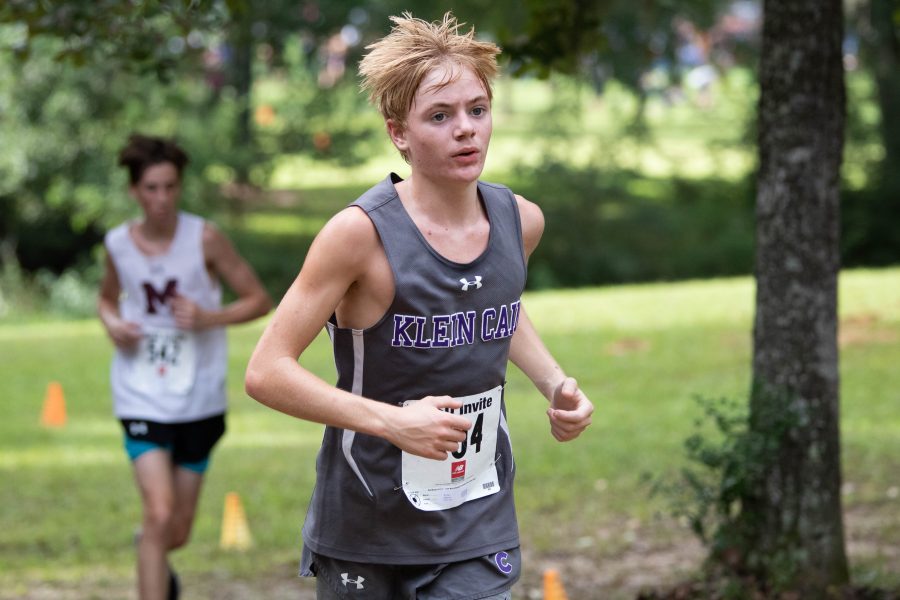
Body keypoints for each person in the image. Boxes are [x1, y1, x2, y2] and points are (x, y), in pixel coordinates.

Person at [244, 12, 594, 600]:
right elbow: (265, 371)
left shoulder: (520, 221)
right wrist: (394, 422)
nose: (466, 130)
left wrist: (555, 383)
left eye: (477, 110)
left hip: (476, 523)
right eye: (440, 115)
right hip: (366, 523)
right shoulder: (358, 236)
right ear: (398, 133)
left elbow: (495, 308)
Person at [98, 133, 272, 600]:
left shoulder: (205, 238)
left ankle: (149, 549)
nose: (161, 198)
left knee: (174, 532)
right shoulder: (118, 244)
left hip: (198, 395)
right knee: (158, 515)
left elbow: (258, 299)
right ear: (135, 191)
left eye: (170, 187)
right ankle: (151, 557)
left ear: (180, 187)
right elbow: (105, 300)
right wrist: (113, 323)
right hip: (140, 391)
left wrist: (208, 317)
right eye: (151, 188)